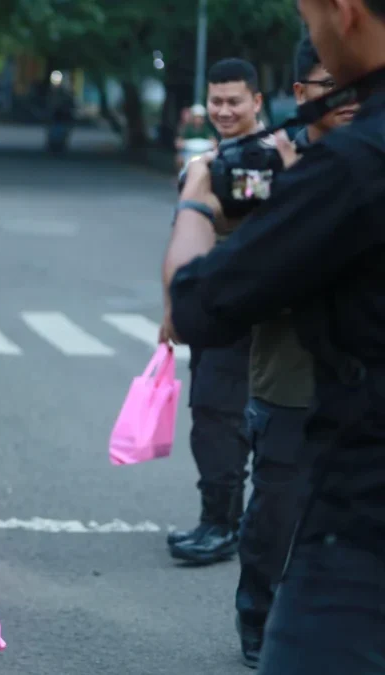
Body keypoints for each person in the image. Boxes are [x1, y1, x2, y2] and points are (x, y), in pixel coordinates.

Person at [162, 0, 385, 669]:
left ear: (343, 12)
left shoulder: (354, 164)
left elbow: (198, 304)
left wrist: (199, 193)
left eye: (308, 14)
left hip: (362, 517)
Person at [231, 35, 360, 668]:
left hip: (358, 389)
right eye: (327, 86)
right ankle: (256, 615)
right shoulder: (270, 169)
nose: (347, 100)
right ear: (299, 95)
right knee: (275, 516)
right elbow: (240, 276)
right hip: (285, 381)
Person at [163, 59, 260, 567]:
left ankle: (230, 525)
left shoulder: (279, 158)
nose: (224, 110)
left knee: (241, 420)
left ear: (257, 102)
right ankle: (221, 520)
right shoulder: (204, 163)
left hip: (264, 315)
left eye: (234, 101)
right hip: (216, 313)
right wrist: (171, 309)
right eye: (217, 101)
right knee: (212, 419)